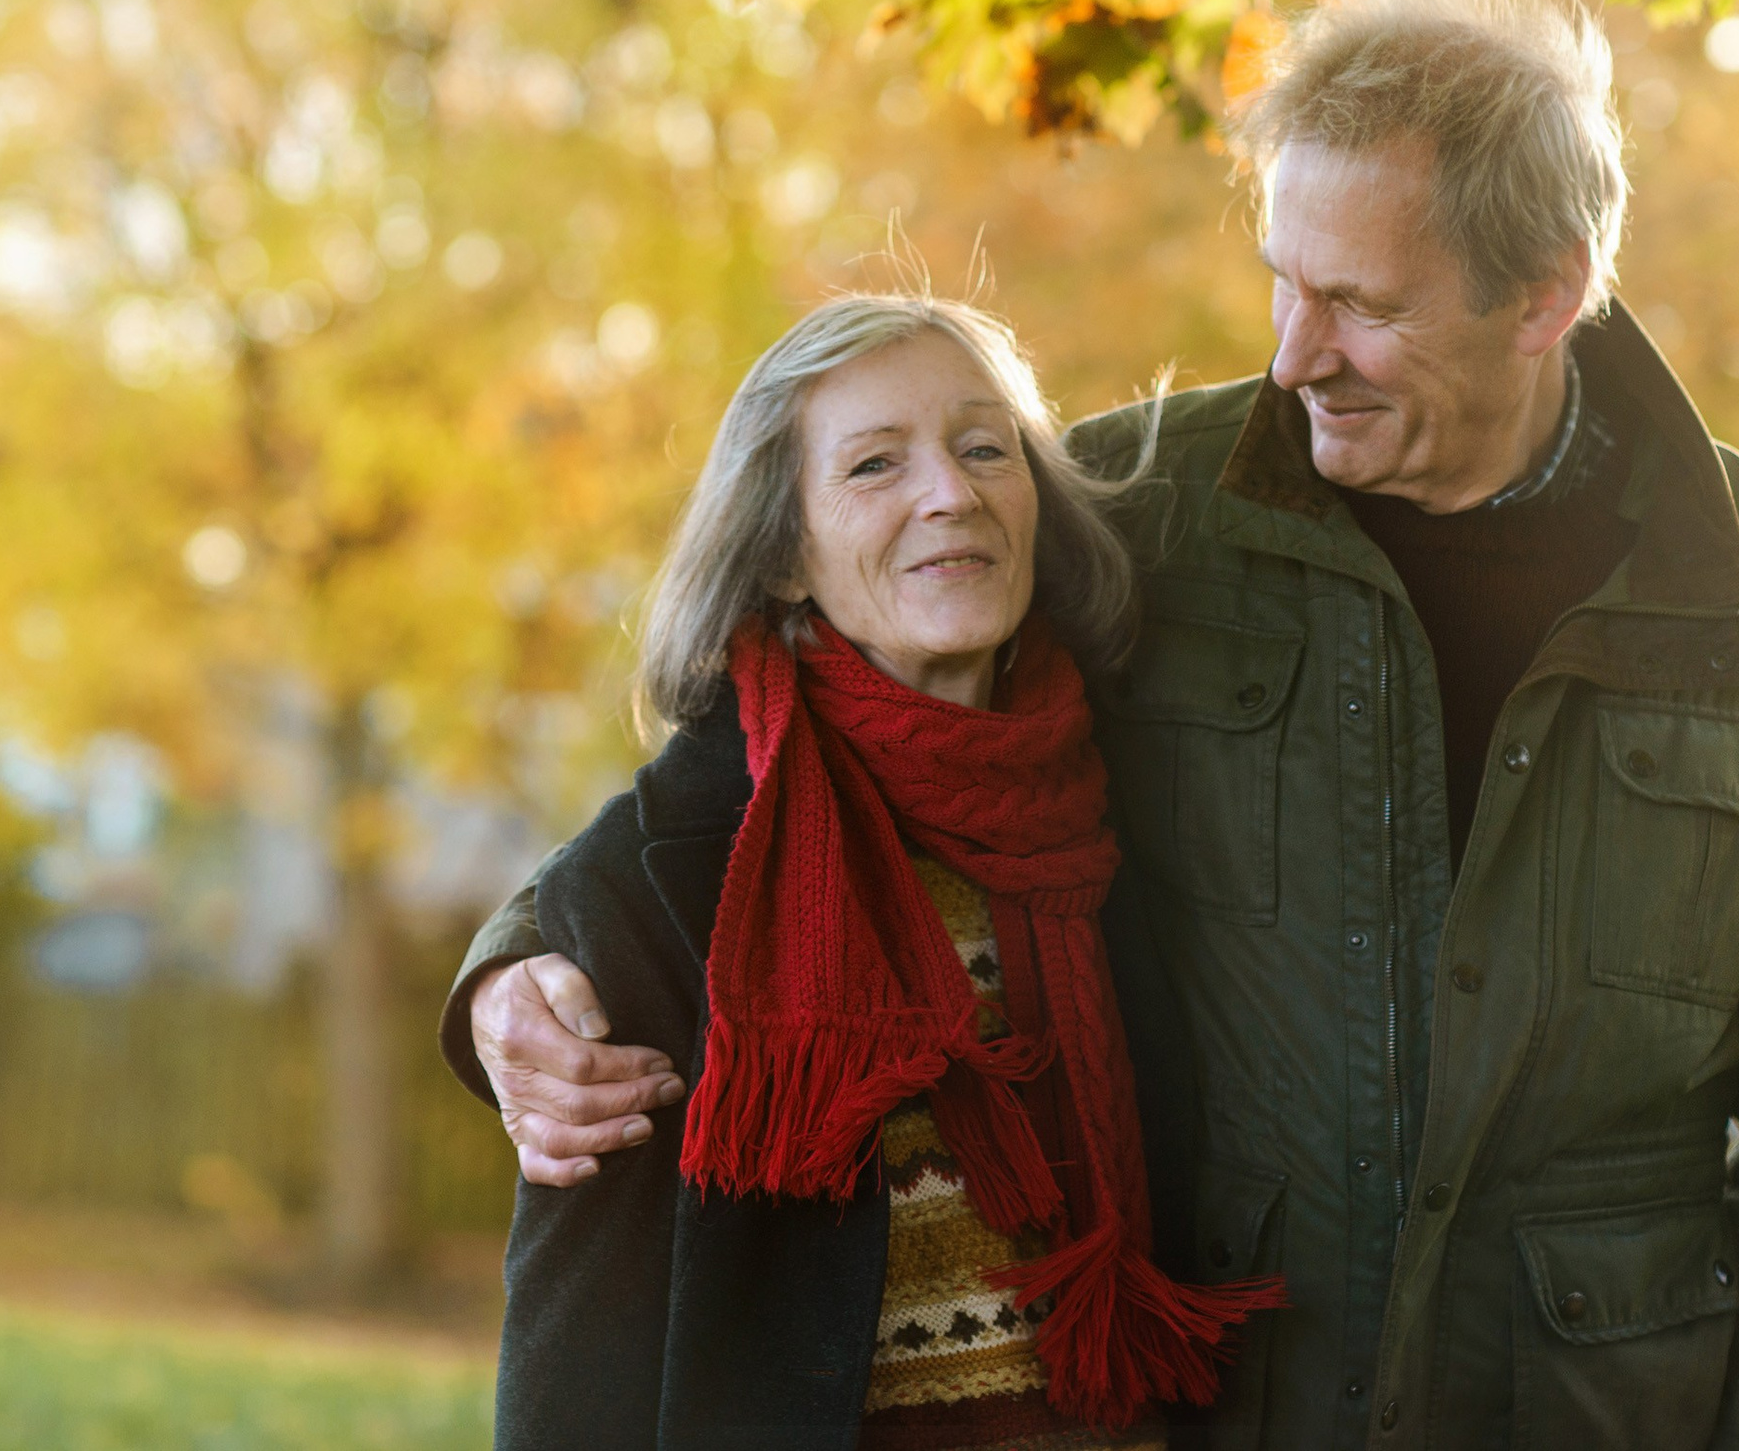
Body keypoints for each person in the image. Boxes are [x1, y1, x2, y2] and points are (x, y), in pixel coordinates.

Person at [444, 0, 1739, 1450]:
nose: (1292, 354)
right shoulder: (1137, 508)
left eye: (1360, 305)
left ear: (1547, 292)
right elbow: (811, 727)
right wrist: (521, 971)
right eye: (1283, 277)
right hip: (1221, 1406)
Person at [482, 294, 1279, 1450]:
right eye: (872, 465)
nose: (949, 492)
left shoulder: (1140, 800)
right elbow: (575, 1362)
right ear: (785, 554)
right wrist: (493, 975)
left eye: (982, 447)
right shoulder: (657, 880)